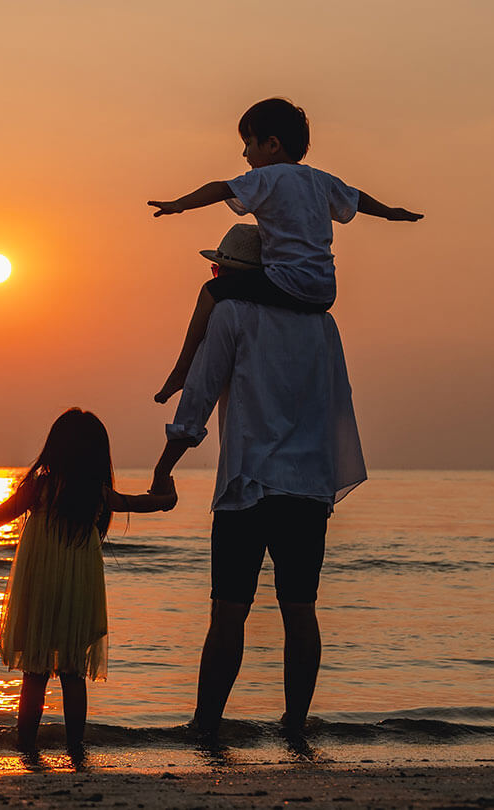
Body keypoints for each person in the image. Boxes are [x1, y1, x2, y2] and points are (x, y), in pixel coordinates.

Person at [149, 245, 368, 740]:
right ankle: (295, 724)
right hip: (308, 488)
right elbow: (337, 402)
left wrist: (164, 470)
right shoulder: (321, 325)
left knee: (228, 610)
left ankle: (207, 724)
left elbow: (200, 395)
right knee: (300, 609)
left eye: (216, 269)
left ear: (231, 274)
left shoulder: (231, 315)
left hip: (247, 485)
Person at [0, 409, 176, 752]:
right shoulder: (97, 494)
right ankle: (75, 749)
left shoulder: (40, 487)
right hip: (79, 589)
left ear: (55, 447)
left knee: (34, 674)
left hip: (38, 587)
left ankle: (27, 747)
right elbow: (142, 504)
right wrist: (166, 496)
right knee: (72, 672)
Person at [147, 97, 422, 403]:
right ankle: (184, 369)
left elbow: (222, 187)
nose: (244, 153)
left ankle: (182, 369)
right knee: (251, 278)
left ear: (272, 144)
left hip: (287, 283)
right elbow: (357, 198)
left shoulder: (266, 177)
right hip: (324, 290)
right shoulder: (320, 180)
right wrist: (389, 212)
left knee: (212, 290)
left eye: (249, 143)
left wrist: (180, 204)